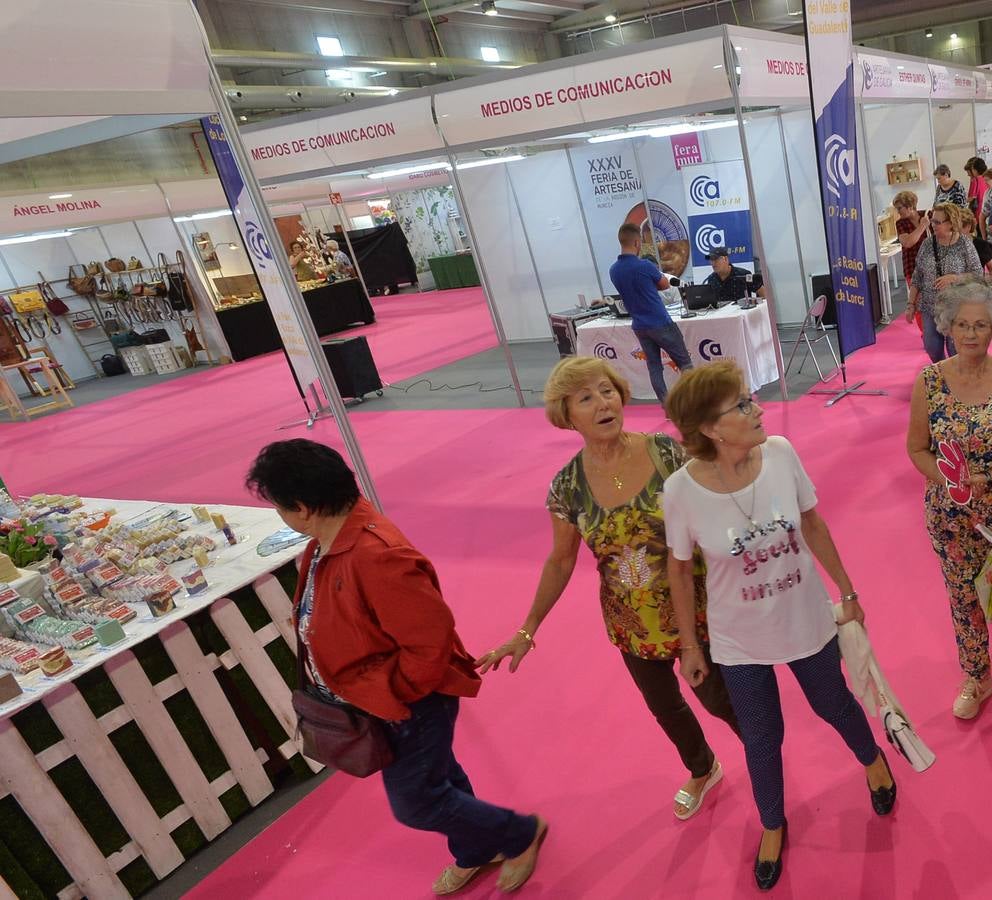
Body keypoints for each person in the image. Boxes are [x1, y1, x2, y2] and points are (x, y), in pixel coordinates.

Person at [244, 439, 548, 895]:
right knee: (440, 776)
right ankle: (474, 849)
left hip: (408, 703)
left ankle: (518, 833)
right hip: (383, 699)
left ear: (303, 508)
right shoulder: (328, 541)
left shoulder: (374, 554)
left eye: (279, 507)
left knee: (418, 803)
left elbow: (429, 643)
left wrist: (393, 695)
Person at [663, 362, 896, 891]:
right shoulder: (680, 491)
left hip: (804, 616)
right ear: (710, 428)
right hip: (738, 639)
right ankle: (773, 823)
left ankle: (873, 759)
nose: (757, 408)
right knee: (762, 736)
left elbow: (812, 521)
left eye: (751, 399)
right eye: (742, 405)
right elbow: (679, 569)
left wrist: (848, 590)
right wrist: (691, 646)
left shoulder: (782, 455)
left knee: (832, 702)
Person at [476, 358, 741, 822]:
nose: (603, 404)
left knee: (722, 699)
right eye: (586, 398)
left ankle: (765, 757)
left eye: (607, 390)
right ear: (567, 414)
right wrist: (527, 629)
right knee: (666, 709)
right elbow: (560, 561)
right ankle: (703, 767)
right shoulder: (567, 486)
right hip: (631, 622)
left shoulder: (665, 452)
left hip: (697, 608)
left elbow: (718, 503)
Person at [906, 278, 992, 719]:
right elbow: (917, 448)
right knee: (962, 592)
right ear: (948, 327)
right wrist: (948, 481)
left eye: (980, 325)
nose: (969, 334)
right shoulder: (928, 381)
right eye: (962, 324)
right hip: (948, 513)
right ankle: (977, 674)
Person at [609, 222, 693, 407]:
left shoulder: (614, 270)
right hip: (660, 322)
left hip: (640, 325)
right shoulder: (645, 266)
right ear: (637, 243)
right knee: (685, 364)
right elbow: (664, 284)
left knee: (654, 368)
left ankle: (668, 407)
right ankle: (695, 405)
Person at [909, 202, 985, 363]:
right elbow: (917, 276)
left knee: (955, 350)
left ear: (950, 222)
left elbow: (978, 274)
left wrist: (955, 278)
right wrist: (911, 304)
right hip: (929, 307)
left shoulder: (964, 243)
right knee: (932, 347)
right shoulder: (927, 244)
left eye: (937, 222)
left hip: (957, 308)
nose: (932, 224)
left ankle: (957, 380)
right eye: (932, 220)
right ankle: (943, 373)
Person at [892, 191, 930, 284]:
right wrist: (922, 226)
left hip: (931, 265)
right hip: (912, 266)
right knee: (917, 297)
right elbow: (907, 243)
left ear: (910, 206)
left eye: (900, 208)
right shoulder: (900, 223)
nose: (898, 211)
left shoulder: (928, 215)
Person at [964, 157, 991, 227]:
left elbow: (971, 198)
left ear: (974, 170)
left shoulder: (975, 180)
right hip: (987, 212)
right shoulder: (987, 178)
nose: (968, 175)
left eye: (969, 172)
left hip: (978, 213)